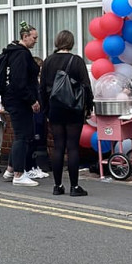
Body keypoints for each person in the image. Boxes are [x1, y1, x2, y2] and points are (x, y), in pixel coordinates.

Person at [38, 30, 93, 196]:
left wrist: (46, 109)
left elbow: (42, 89)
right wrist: (88, 107)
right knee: (73, 147)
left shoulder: (47, 61)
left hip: (55, 109)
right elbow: (86, 86)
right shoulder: (76, 61)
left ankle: (57, 186)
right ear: (71, 43)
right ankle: (74, 187)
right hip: (73, 109)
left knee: (58, 146)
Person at [0, 23, 42, 187]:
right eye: (34, 37)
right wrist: (32, 100)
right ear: (25, 37)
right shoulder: (21, 54)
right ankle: (18, 174)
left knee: (22, 135)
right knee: (22, 136)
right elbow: (19, 82)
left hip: (15, 100)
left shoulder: (16, 52)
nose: (35, 41)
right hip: (19, 101)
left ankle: (10, 169)